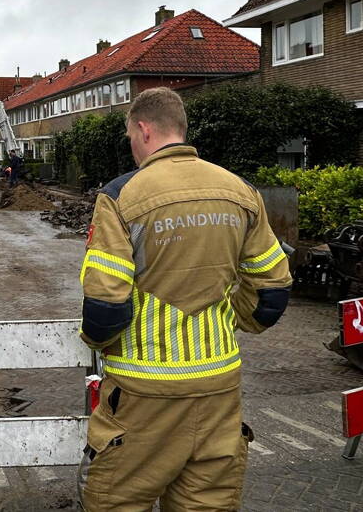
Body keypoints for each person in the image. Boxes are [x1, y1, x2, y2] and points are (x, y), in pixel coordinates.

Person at [77, 87, 291, 511]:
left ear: (143, 129)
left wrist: (95, 342)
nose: (132, 147)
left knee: (116, 501)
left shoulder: (121, 197)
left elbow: (105, 306)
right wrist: (232, 321)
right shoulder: (240, 191)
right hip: (220, 390)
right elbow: (272, 291)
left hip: (144, 393)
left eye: (130, 137)